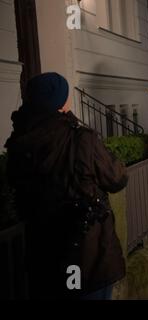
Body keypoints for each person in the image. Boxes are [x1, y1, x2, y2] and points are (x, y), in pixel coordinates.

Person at [5, 73, 128, 300]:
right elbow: (117, 179)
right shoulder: (80, 139)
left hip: (43, 255)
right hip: (86, 253)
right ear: (60, 102)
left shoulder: (19, 144)